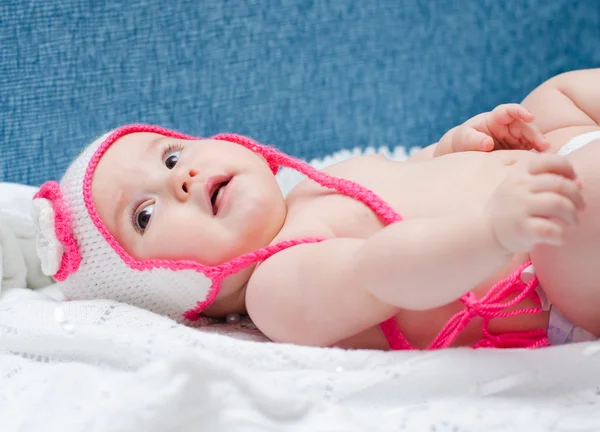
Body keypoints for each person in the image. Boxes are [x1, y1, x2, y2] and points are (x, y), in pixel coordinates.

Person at [32, 68, 600, 350]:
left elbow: (417, 175)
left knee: (554, 97)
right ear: (174, 292)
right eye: (145, 216)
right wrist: (491, 228)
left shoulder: (315, 185)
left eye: (172, 155)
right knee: (584, 200)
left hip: (543, 179)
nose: (181, 179)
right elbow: (388, 271)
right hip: (548, 276)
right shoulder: (277, 290)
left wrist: (467, 144)